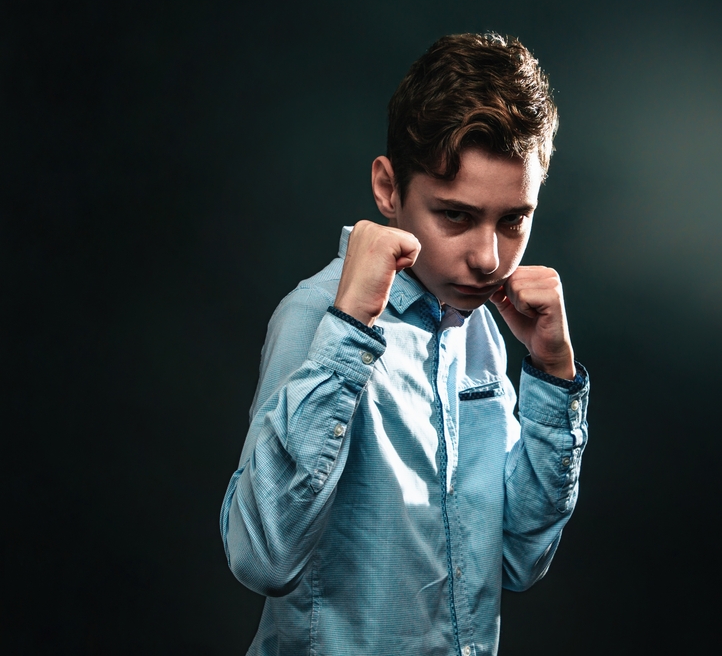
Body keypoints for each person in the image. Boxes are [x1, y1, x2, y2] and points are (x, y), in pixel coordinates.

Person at [220, 32, 590, 656]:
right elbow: (261, 557)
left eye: (513, 220)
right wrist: (349, 333)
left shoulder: (479, 328)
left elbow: (519, 559)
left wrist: (553, 377)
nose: (487, 258)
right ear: (389, 189)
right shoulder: (317, 317)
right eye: (455, 216)